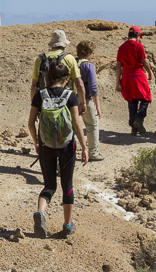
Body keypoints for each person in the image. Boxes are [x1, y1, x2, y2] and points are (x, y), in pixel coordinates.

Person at [28, 61, 88, 239]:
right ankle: (68, 225)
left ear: (49, 77)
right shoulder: (71, 96)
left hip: (46, 146)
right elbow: (77, 123)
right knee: (67, 185)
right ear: (65, 79)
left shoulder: (40, 95)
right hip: (67, 147)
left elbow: (31, 123)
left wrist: (36, 142)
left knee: (49, 185)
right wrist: (84, 147)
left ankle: (41, 213)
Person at [30, 30, 87, 115]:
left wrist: (35, 106)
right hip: (66, 100)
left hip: (45, 101)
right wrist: (82, 103)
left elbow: (34, 85)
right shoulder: (69, 58)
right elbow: (79, 83)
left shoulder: (40, 59)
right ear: (64, 45)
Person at [116, 26, 156, 134]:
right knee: (146, 97)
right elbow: (145, 62)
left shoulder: (121, 47)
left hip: (126, 75)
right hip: (137, 75)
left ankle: (133, 128)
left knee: (132, 100)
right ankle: (138, 119)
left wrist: (118, 81)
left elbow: (118, 66)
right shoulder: (138, 46)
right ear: (138, 35)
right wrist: (149, 72)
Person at [75, 41, 104, 161]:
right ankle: (93, 152)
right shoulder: (88, 66)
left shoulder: (72, 62)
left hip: (71, 98)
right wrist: (97, 105)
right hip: (85, 99)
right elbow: (92, 88)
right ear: (88, 53)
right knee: (92, 125)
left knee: (72, 126)